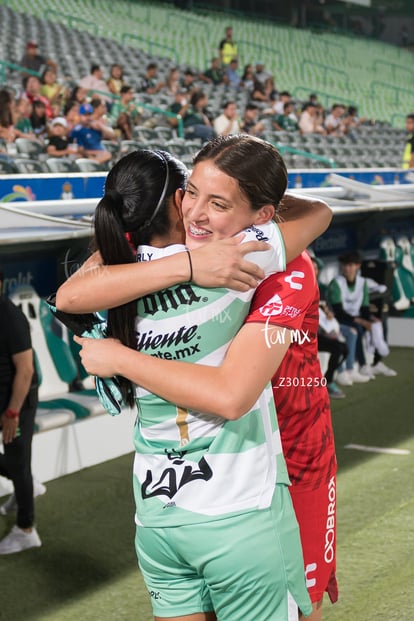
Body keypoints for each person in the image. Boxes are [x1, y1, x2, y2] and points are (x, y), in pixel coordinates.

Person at [57, 137, 331, 620]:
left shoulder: (119, 274)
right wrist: (245, 203)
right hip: (237, 510)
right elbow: (319, 212)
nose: (198, 212)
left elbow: (68, 297)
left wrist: (118, 354)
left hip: (158, 515)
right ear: (175, 201)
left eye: (215, 201)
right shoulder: (243, 253)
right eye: (191, 193)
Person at [0, 267, 44, 554]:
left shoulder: (9, 316)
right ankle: (22, 481)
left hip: (16, 404)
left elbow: (26, 370)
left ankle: (26, 529)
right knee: (19, 465)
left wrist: (12, 414)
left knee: (18, 461)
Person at [327, 251, 394, 384]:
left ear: (358, 266)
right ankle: (363, 365)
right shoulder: (337, 283)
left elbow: (364, 307)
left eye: (351, 265)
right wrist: (362, 321)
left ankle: (376, 362)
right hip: (338, 319)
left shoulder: (362, 283)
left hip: (355, 317)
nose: (347, 268)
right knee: (357, 327)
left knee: (380, 323)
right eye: (345, 265)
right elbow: (338, 311)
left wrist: (370, 318)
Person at [310, 254, 348, 400]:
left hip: (320, 333)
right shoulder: (298, 286)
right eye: (310, 267)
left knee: (343, 348)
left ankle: (328, 381)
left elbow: (329, 310)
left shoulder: (323, 288)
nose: (313, 270)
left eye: (316, 268)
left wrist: (329, 313)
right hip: (302, 335)